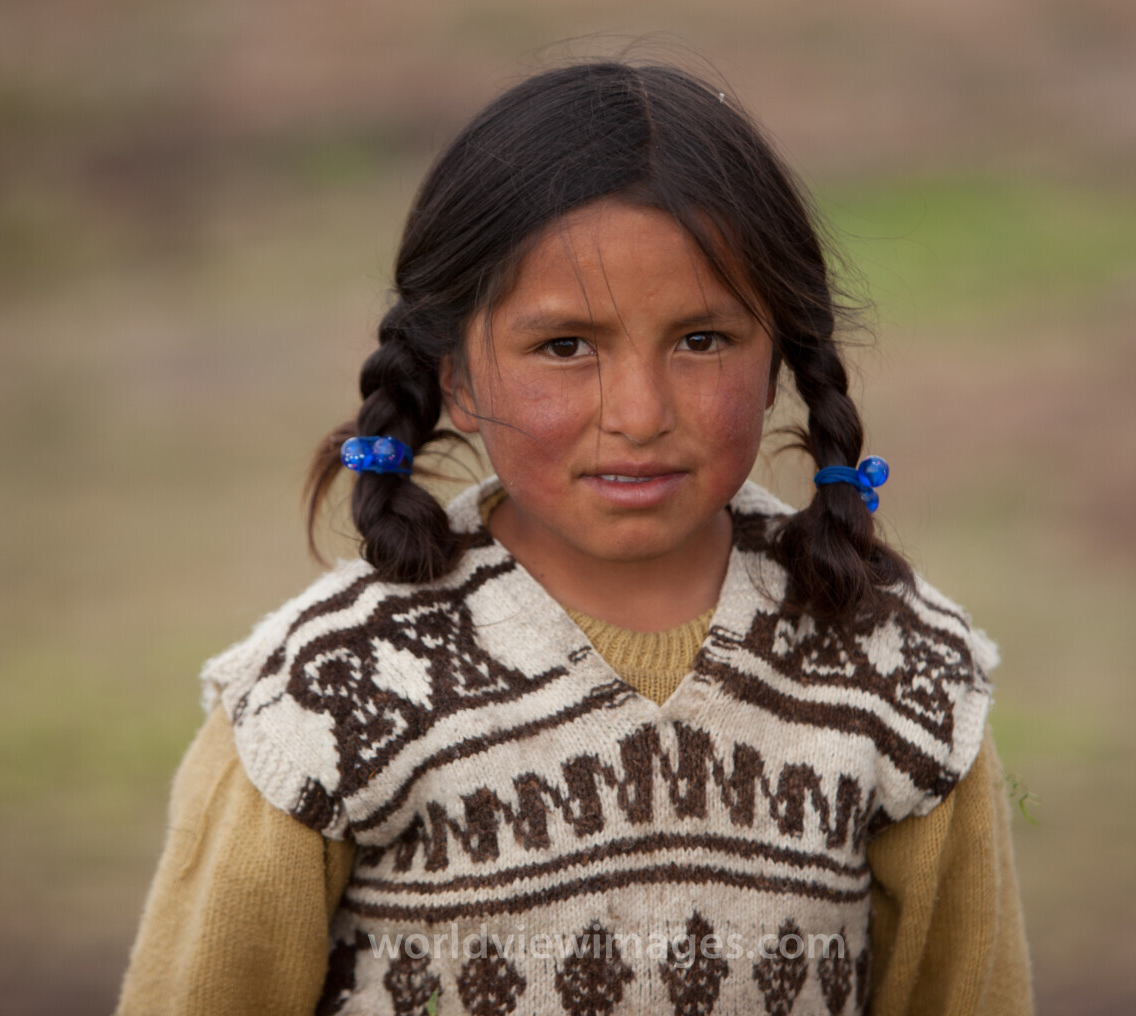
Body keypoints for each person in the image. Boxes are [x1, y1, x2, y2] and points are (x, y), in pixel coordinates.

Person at [115, 60, 1032, 1016]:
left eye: (703, 340)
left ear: (781, 364)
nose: (638, 413)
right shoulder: (322, 701)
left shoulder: (902, 673)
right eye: (564, 347)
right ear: (456, 378)